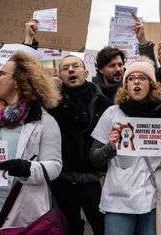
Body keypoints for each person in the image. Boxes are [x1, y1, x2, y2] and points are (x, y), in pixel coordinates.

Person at [0, 51, 62, 235]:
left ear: (18, 81)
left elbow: (55, 166)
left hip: (20, 215)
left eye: (2, 74)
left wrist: (27, 168)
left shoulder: (44, 122)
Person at [90, 57, 161, 235]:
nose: (136, 81)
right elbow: (94, 158)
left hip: (153, 198)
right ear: (126, 86)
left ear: (152, 84)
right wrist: (111, 147)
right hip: (119, 201)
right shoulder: (112, 113)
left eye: (142, 77)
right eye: (131, 78)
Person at [47, 55, 111, 235]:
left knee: (102, 227)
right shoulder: (52, 103)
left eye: (76, 66)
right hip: (64, 181)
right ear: (60, 75)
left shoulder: (104, 102)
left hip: (96, 180)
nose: (71, 70)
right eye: (65, 68)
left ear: (86, 72)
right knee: (70, 229)